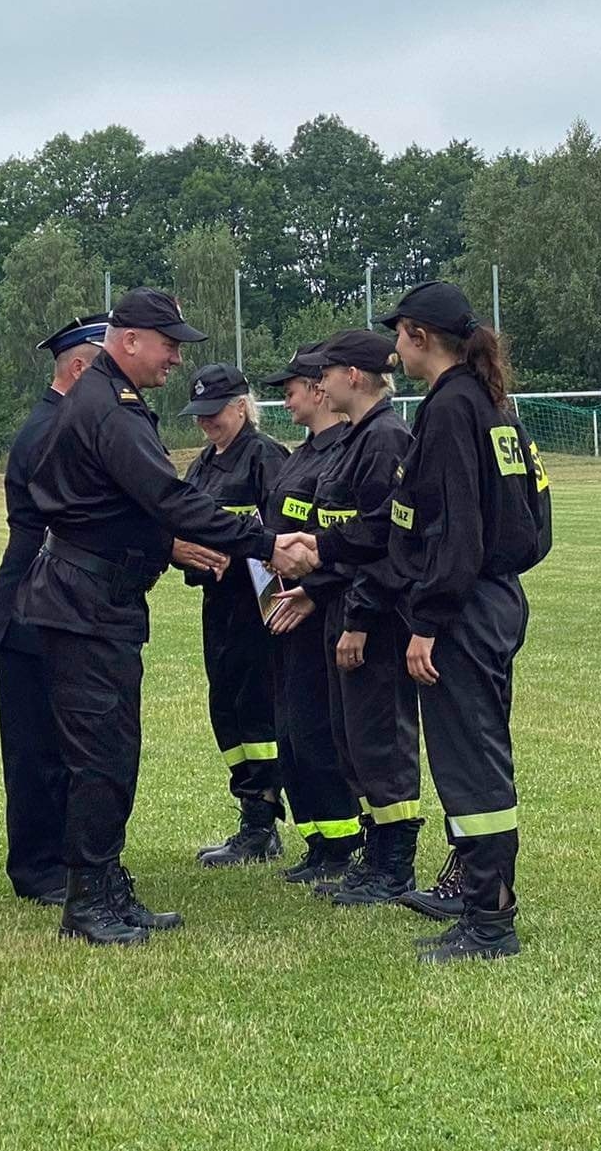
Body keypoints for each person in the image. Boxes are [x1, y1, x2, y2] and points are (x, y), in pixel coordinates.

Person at [13, 288, 317, 946]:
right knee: (102, 756)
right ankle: (88, 901)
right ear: (129, 341)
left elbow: (120, 509)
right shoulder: (110, 407)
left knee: (111, 752)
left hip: (93, 598)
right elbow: (169, 498)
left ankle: (104, 886)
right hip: (85, 602)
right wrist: (267, 543)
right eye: (169, 344)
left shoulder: (105, 399)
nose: (177, 357)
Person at [382, 281, 551, 963]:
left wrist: (428, 620)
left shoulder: (452, 407)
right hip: (493, 595)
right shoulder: (491, 403)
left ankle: (490, 920)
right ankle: (478, 897)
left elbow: (456, 527)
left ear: (421, 336)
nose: (395, 349)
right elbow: (534, 517)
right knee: (480, 754)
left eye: (399, 335)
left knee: (471, 764)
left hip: (464, 606)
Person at [0, 313, 106, 908]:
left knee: (59, 741)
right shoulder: (52, 429)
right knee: (36, 747)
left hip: (47, 597)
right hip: (32, 602)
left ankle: (62, 855)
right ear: (78, 368)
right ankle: (38, 867)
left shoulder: (62, 422)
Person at [301, 330, 421, 907]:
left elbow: (385, 542)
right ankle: (374, 857)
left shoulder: (386, 439)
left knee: (381, 740)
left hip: (373, 613)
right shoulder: (356, 437)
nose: (319, 384)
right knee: (352, 738)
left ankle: (394, 866)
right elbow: (343, 530)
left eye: (326, 373)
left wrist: (360, 619)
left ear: (354, 375)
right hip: (342, 604)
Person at [257, 344, 363, 886]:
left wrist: (313, 592)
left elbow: (352, 541)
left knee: (318, 728)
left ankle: (344, 843)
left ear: (320, 390)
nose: (285, 399)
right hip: (282, 608)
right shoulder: (301, 454)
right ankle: (319, 839)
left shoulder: (345, 451)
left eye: (291, 389)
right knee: (291, 730)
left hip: (318, 609)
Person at [178, 364, 291, 867]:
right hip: (217, 604)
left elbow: (282, 535)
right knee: (225, 708)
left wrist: (239, 554)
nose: (205, 422)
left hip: (258, 606)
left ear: (242, 406)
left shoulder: (265, 457)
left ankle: (263, 823)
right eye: (198, 414)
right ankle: (250, 809)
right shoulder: (202, 465)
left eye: (214, 412)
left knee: (256, 710)